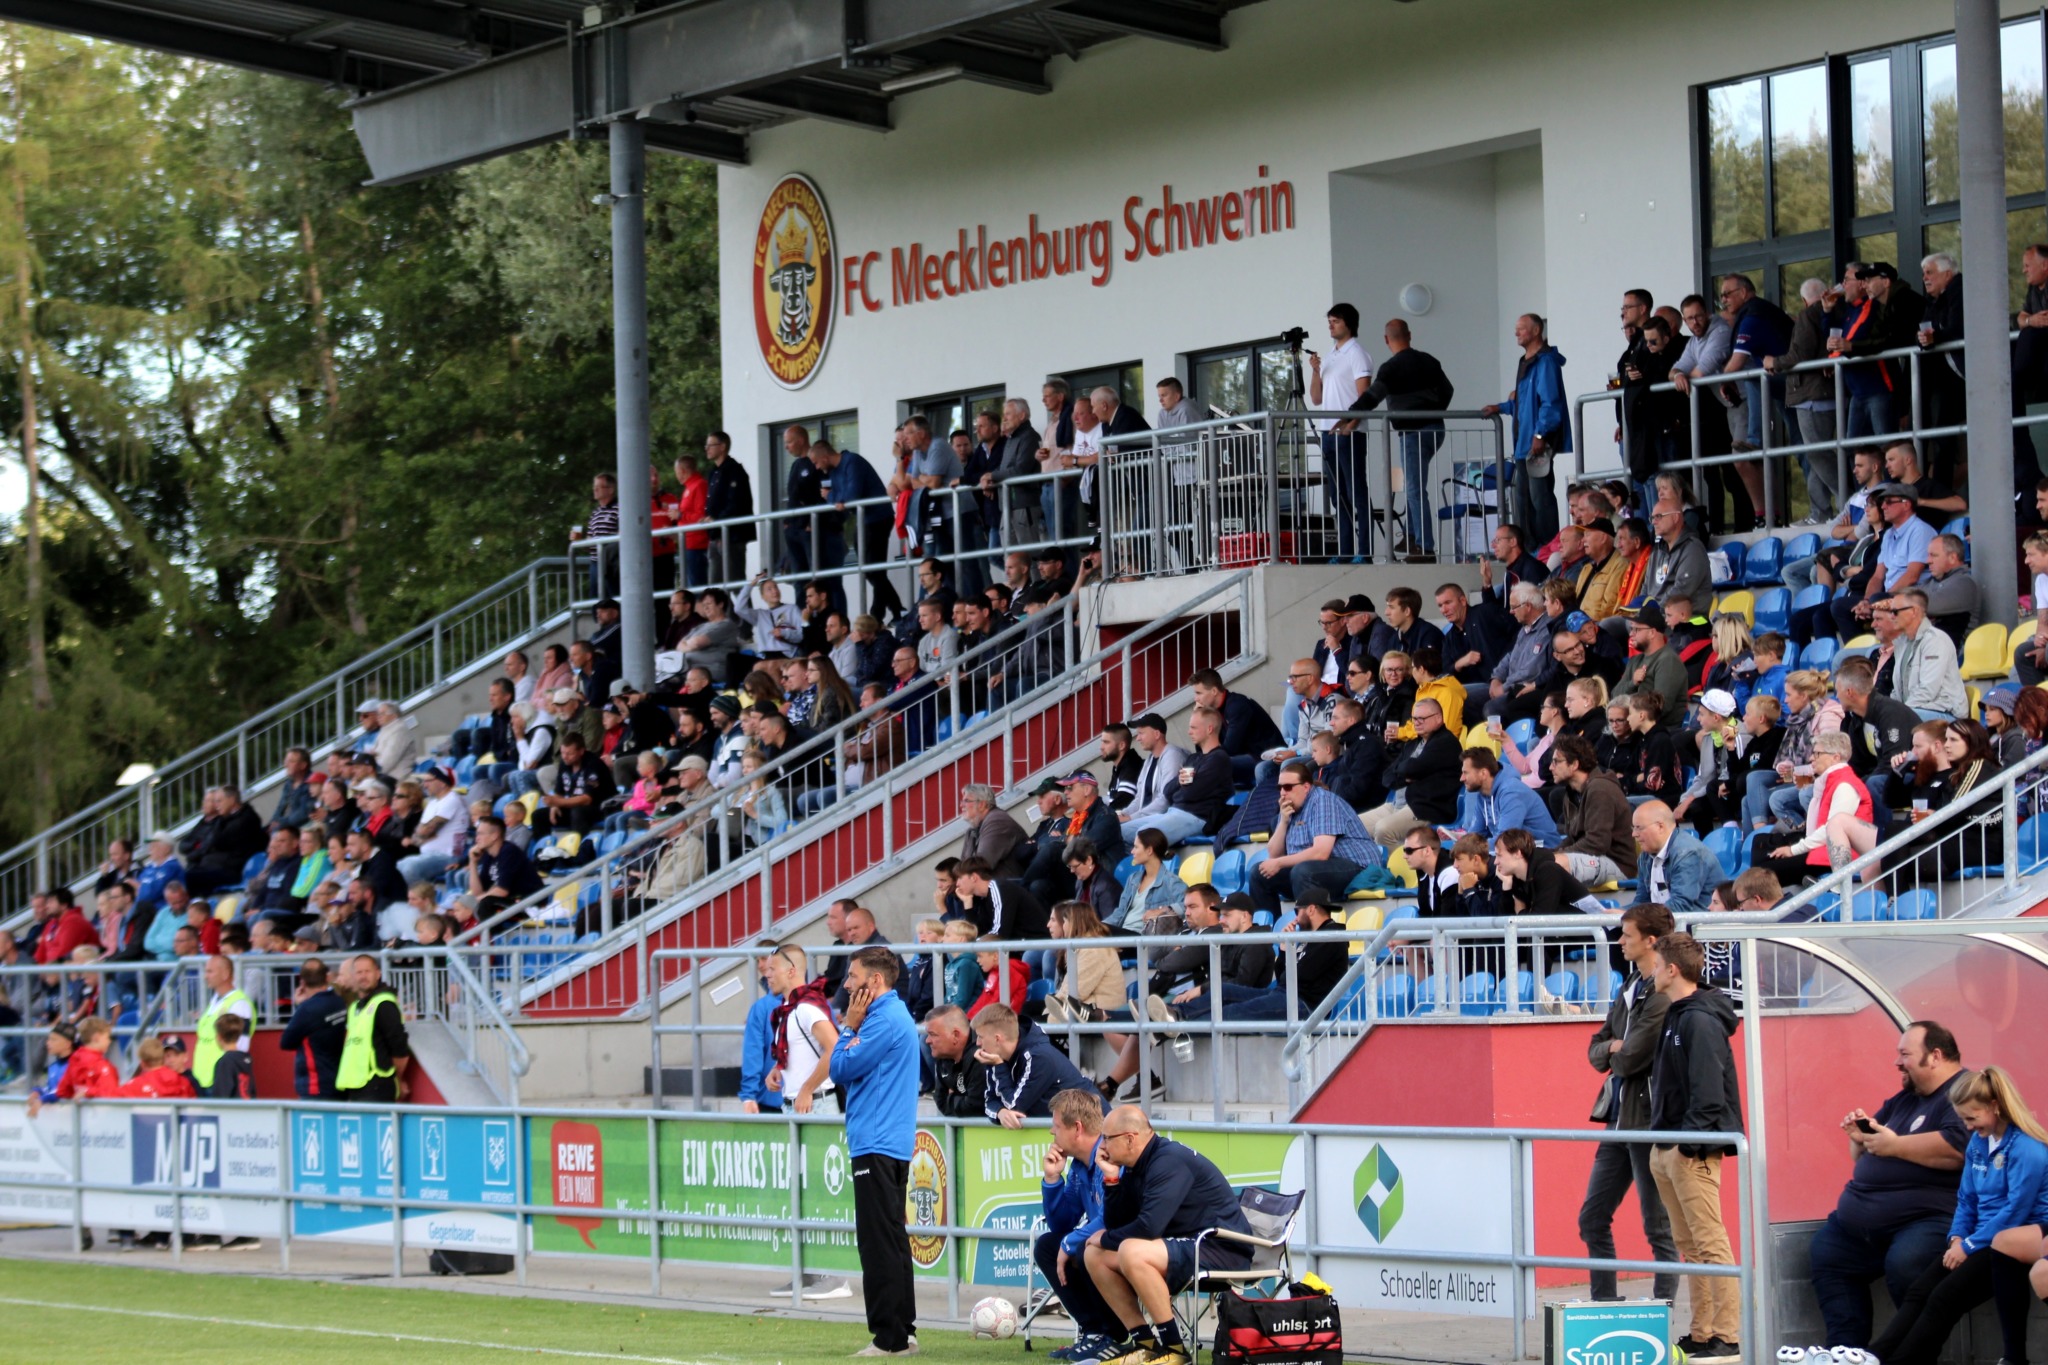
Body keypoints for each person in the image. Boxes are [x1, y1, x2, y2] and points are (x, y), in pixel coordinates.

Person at [1863, 1066, 2048, 1365]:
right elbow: (1966, 1198)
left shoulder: (2027, 1148)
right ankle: (1874, 1356)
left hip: (2012, 1239)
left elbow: (2015, 1212)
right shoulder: (1978, 1143)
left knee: (1943, 1298)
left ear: (1995, 1107)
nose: (1968, 1127)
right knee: (1920, 1290)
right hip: (1976, 1238)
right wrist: (1957, 1237)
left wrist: (1969, 1246)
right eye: (1962, 1119)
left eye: (1972, 1118)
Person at [1807, 1022, 1971, 1348]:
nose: (1897, 1062)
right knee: (1827, 1252)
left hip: (1928, 1218)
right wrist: (1860, 1139)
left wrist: (1895, 1145)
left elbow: (1958, 1148)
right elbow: (1874, 1153)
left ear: (1935, 1056)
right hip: (1861, 1222)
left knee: (1906, 1262)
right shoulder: (1905, 1098)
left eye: (1905, 1054)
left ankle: (1907, 1354)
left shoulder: (1964, 1092)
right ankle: (1845, 1352)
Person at [1081, 1105, 1255, 1365]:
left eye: (1106, 1138)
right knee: (1095, 1254)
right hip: (1188, 1245)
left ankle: (1175, 1350)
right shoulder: (1135, 1164)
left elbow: (1148, 1228)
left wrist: (1106, 1238)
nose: (1101, 1145)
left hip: (1221, 1249)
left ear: (1130, 1138)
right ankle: (1145, 1344)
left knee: (1129, 1249)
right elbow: (1119, 1222)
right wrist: (1111, 1179)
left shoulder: (1168, 1160)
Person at [1645, 932, 1744, 1362]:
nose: (1649, 972)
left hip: (1692, 1149)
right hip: (1668, 1144)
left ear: (1672, 970)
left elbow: (1708, 1094)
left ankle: (1727, 1332)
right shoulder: (1678, 1012)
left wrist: (1688, 1145)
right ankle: (1702, 1332)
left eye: (1655, 965)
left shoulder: (1700, 1019)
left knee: (1709, 1241)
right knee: (1690, 1244)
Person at [1578, 902, 1681, 1302]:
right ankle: (1604, 1305)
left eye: (1627, 935)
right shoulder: (1629, 987)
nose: (1619, 941)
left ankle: (1663, 1311)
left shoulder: (1661, 995)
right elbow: (1595, 1049)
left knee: (1658, 1226)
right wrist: (1614, 1048)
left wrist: (1615, 1049)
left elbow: (1633, 1055)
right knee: (1592, 1218)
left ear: (1650, 941)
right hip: (1617, 1121)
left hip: (1647, 1122)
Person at [828, 946, 921, 1358]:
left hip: (877, 1141)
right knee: (893, 1238)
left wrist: (848, 1028)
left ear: (875, 981)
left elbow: (840, 1069)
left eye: (852, 976)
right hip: (889, 1141)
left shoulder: (881, 1020)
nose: (847, 985)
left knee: (878, 1242)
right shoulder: (891, 1015)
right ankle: (904, 1330)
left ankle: (889, 1339)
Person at [1037, 1088, 1122, 1363]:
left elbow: (1111, 1217)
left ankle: (1113, 1334)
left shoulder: (1108, 1156)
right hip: (1102, 1245)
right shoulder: (1077, 1166)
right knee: (1047, 1247)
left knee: (1085, 1248)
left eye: (1056, 1125)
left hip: (1132, 1244)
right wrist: (1052, 1179)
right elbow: (1062, 1223)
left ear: (1077, 1128)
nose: (1052, 1132)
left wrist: (1070, 1242)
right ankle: (1093, 1332)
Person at [1481, 313, 1570, 544]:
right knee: (1523, 501)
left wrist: (1540, 434)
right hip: (1523, 444)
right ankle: (1530, 549)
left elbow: (1551, 403)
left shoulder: (1545, 361)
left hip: (1536, 443)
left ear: (1536, 331)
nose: (1516, 333)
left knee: (1540, 498)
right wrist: (1500, 407)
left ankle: (1549, 549)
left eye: (1521, 329)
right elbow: (1524, 403)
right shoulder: (1527, 361)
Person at [1251, 761, 1377, 918]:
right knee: (1259, 872)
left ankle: (1308, 934)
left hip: (1357, 866)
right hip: (1316, 870)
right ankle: (1270, 936)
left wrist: (1279, 863)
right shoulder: (1288, 810)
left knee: (1303, 871)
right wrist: (1283, 821)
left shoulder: (1323, 801)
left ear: (1305, 787)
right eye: (1280, 788)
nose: (1283, 793)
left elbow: (1321, 853)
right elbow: (1274, 855)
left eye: (1288, 787)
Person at [973, 1002, 1103, 1126]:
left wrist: (998, 1066)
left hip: (1094, 1130)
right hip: (1062, 1132)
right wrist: (1000, 1113)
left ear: (997, 1038)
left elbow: (1014, 1106)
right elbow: (989, 1102)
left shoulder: (1038, 1057)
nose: (977, 1043)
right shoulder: (996, 1056)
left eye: (980, 1036)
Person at [1123, 704, 1234, 844]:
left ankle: (1152, 865)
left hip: (1196, 818)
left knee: (1143, 835)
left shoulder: (1218, 758)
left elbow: (1189, 794)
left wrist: (1180, 787)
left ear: (1209, 729)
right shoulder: (1194, 758)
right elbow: (1168, 791)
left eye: (1193, 728)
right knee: (1121, 832)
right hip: (1174, 812)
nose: (1189, 732)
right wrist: (1180, 782)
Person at [336, 954, 410, 1103]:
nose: (363, 976)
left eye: (367, 971)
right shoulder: (355, 1007)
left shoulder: (384, 1004)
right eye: (359, 972)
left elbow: (400, 1048)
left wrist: (398, 1079)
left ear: (378, 974)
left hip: (377, 1086)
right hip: (355, 1084)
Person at [1630, 801, 1715, 919]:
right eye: (1633, 828)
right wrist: (1616, 913)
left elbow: (1680, 907)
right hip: (1667, 923)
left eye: (1639, 828)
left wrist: (1633, 916)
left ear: (1660, 826)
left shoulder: (1687, 853)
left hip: (1697, 927)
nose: (1634, 834)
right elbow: (1642, 902)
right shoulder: (1645, 857)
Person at [278, 958, 348, 1099]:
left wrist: (299, 1007)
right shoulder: (339, 1002)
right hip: (341, 1080)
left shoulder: (307, 1010)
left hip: (315, 1086)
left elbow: (286, 1042)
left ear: (302, 982)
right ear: (327, 978)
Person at [205, 1014, 256, 1099]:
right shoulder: (245, 1058)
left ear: (219, 1037)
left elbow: (221, 1096)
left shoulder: (225, 1062)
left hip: (232, 1111)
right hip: (248, 1110)